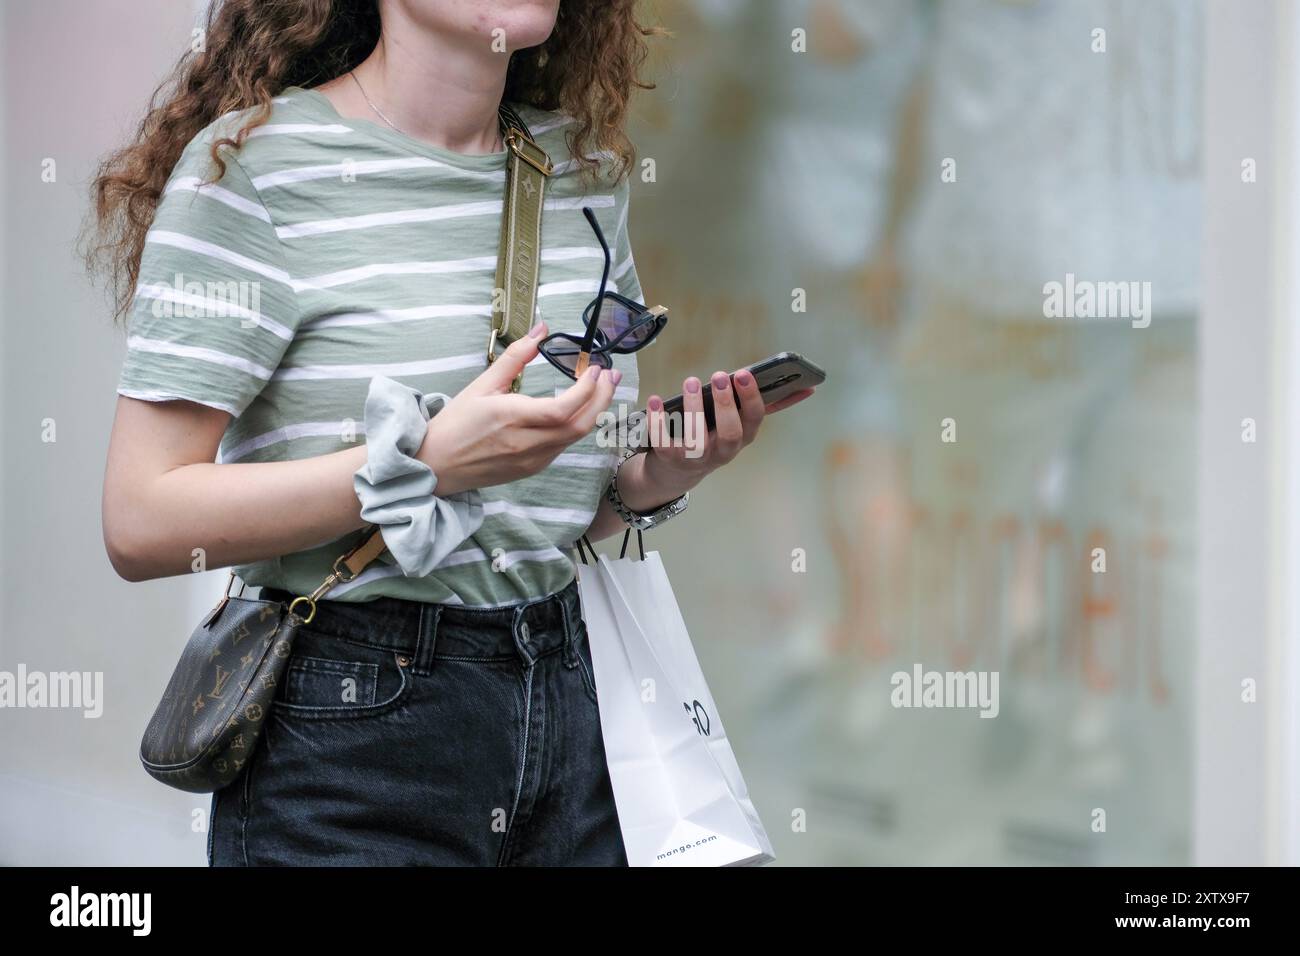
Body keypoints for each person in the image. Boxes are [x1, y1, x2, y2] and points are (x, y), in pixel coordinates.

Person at [86, 0, 811, 866]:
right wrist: (422, 466)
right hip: (351, 735)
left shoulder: (581, 172)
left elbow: (562, 512)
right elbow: (141, 519)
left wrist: (653, 477)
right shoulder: (255, 167)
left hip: (576, 717)